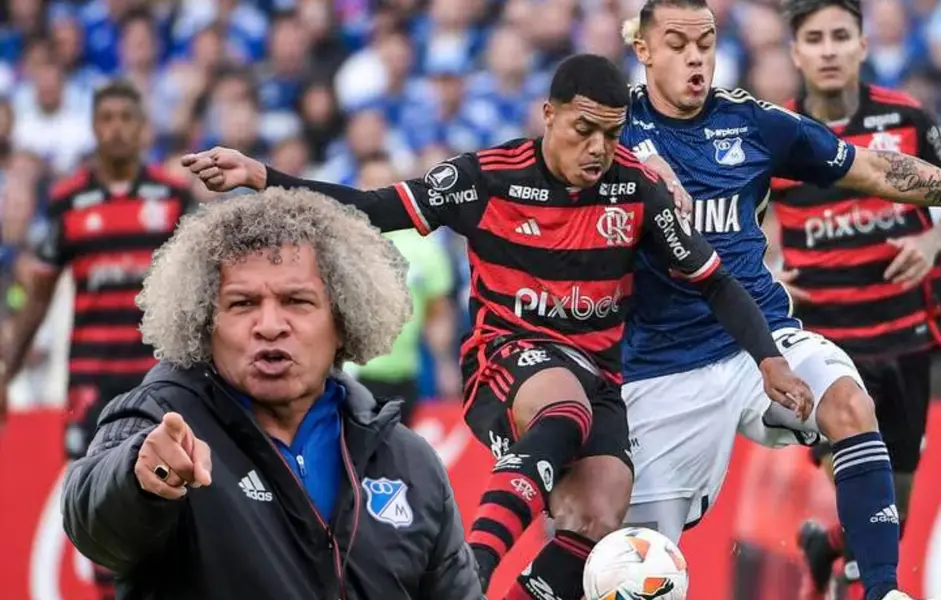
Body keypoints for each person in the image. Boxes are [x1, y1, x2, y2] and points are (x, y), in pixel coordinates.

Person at [181, 53, 811, 600]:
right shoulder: (486, 177)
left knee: (598, 517)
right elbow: (372, 209)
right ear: (549, 115)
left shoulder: (638, 191)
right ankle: (468, 575)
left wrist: (767, 358)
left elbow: (715, 280)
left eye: (611, 135)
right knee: (564, 409)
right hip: (503, 359)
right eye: (584, 129)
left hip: (600, 377)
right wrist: (263, 177)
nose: (597, 148)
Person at [617, 2, 941, 600]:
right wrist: (635, 166)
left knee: (849, 405)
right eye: (676, 43)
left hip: (765, 338)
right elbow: (554, 178)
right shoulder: (613, 129)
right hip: (665, 363)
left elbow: (873, 169)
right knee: (637, 565)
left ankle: (882, 590)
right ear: (645, 51)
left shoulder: (753, 122)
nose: (695, 56)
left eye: (704, 42)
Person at [61, 188, 482, 599]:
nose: (269, 325)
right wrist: (142, 479)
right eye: (242, 304)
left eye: (297, 301)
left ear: (343, 319)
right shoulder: (159, 421)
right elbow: (93, 522)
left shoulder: (408, 460)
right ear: (206, 323)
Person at [770, 0, 941, 593]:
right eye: (815, 38)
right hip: (825, 342)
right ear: (796, 52)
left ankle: (824, 545)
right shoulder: (775, 132)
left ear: (863, 45)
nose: (829, 49)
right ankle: (860, 586)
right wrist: (765, 268)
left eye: (841, 36)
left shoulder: (907, 119)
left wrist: (934, 240)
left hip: (903, 330)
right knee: (860, 485)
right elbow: (740, 218)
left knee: (895, 510)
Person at [0, 81, 195, 600]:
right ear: (93, 126)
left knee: (168, 498)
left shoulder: (172, 198)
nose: (116, 128)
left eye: (126, 118)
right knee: (99, 505)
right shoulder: (67, 201)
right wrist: (7, 373)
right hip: (90, 380)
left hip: (161, 380)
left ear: (142, 127)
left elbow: (206, 290)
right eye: (106, 118)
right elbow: (37, 297)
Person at [342, 153, 461, 424]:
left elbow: (438, 311)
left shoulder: (425, 247)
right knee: (355, 457)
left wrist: (444, 363)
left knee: (396, 459)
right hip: (353, 373)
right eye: (370, 183)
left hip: (405, 374)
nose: (376, 192)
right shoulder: (342, 242)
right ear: (357, 186)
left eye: (384, 183)